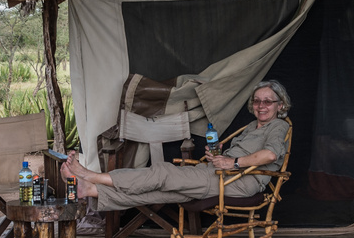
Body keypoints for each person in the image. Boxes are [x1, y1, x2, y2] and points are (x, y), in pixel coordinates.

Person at [64, 80, 291, 210]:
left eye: (268, 101)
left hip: (240, 181)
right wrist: (218, 157)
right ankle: (90, 190)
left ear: (280, 106)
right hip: (219, 174)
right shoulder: (253, 126)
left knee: (163, 173)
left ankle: (92, 176)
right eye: (257, 101)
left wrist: (232, 161)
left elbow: (270, 155)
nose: (261, 106)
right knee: (159, 192)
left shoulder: (278, 126)